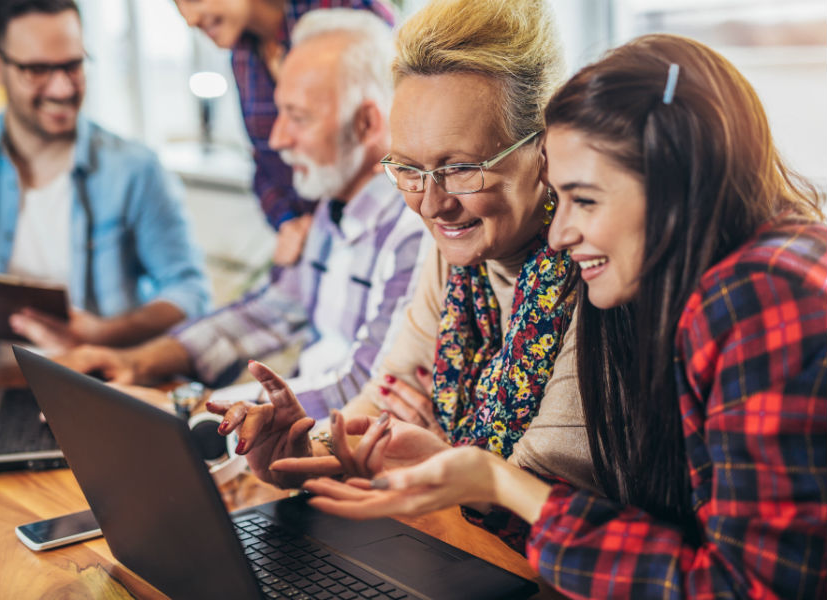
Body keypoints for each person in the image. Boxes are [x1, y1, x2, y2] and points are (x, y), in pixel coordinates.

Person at [301, 33, 827, 599]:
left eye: (586, 199)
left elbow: (745, 589)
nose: (559, 233)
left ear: (677, 186)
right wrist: (483, 482)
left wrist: (501, 482)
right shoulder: (717, 289)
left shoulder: (761, 297)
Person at [210, 0, 599, 493]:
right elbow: (389, 397)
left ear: (545, 148)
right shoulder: (457, 253)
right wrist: (303, 449)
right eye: (408, 170)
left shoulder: (595, 269)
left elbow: (544, 494)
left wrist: (432, 463)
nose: (432, 205)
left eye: (459, 168)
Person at [59, 9, 427, 423]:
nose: (277, 138)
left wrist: (194, 413)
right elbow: (268, 314)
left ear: (366, 124)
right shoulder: (330, 207)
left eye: (299, 118)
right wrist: (135, 363)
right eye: (279, 112)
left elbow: (366, 387)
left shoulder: (415, 233)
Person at [0, 0, 210, 375]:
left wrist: (103, 333)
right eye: (37, 69)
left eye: (73, 65)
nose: (62, 88)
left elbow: (190, 291)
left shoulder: (136, 169)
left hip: (92, 381)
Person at [173, 0, 394, 266]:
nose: (189, 19)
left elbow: (400, 136)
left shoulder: (345, 14)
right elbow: (262, 159)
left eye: (193, 0)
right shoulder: (243, 57)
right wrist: (288, 222)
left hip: (371, 236)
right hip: (306, 246)